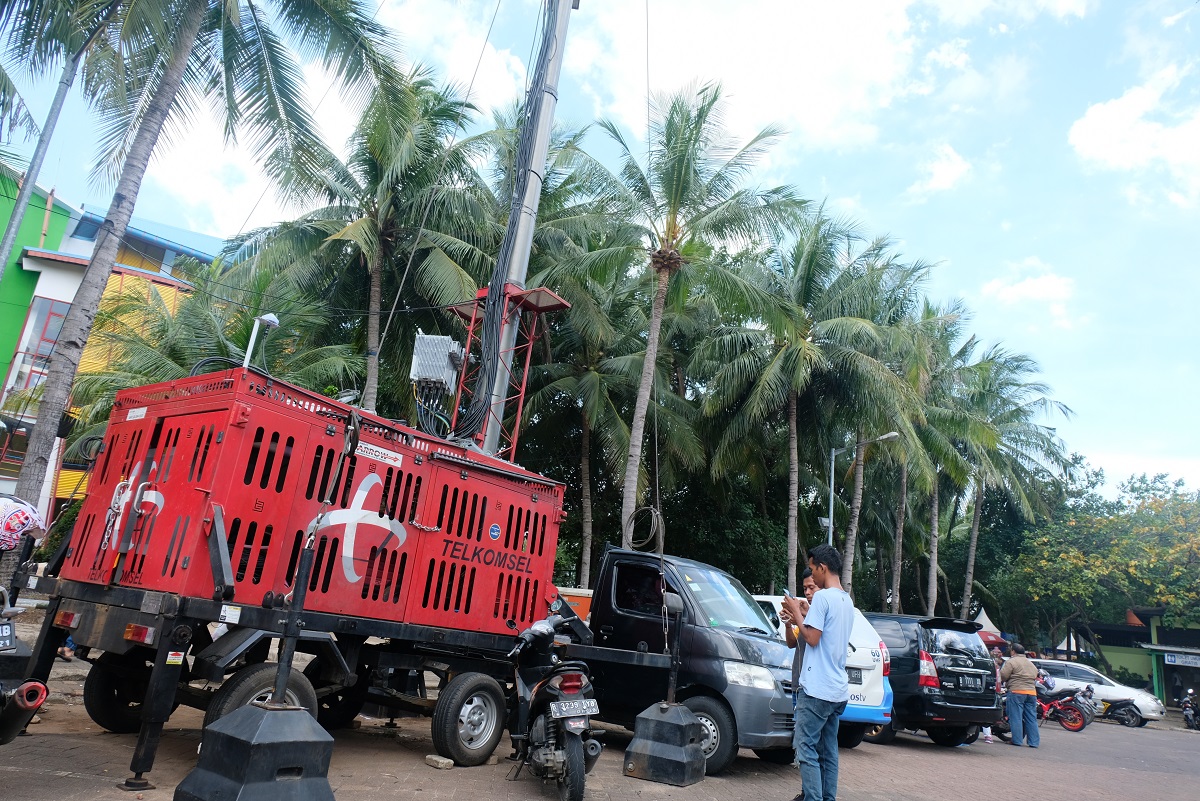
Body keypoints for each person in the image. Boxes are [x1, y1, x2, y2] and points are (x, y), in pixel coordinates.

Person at [781, 544, 854, 801]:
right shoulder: (846, 600)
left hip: (817, 690)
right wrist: (801, 612)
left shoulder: (823, 597)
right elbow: (824, 633)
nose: (813, 575)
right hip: (837, 691)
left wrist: (793, 609)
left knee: (806, 749)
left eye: (813, 569)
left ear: (822, 568)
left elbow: (811, 637)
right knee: (829, 751)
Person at [1000, 642, 1039, 748]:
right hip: (1031, 693)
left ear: (1013, 651)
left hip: (1017, 692)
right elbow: (1035, 675)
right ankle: (1034, 742)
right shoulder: (1030, 663)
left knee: (1015, 717)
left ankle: (1017, 740)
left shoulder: (1011, 662)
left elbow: (1003, 676)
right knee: (1031, 718)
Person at [981, 647, 1005, 743]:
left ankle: (988, 736)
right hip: (991, 689)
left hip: (987, 689)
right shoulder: (993, 665)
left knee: (983, 713)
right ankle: (988, 736)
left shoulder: (986, 663)